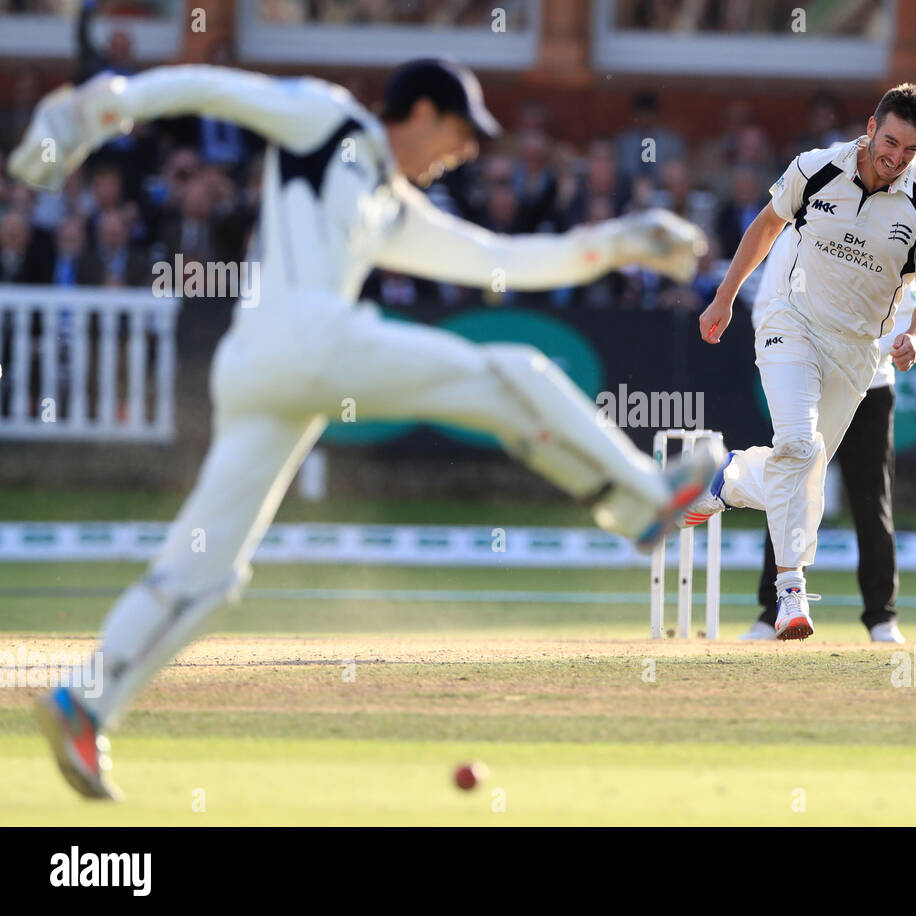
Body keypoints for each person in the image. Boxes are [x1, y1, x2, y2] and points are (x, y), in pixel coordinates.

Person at [9, 58, 721, 800]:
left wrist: (622, 241)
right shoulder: (329, 119)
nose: (463, 152)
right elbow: (212, 89)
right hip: (301, 343)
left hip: (266, 370)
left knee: (207, 573)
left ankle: (85, 702)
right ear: (417, 109)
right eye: (457, 132)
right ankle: (642, 498)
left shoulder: (389, 201)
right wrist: (109, 103)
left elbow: (500, 260)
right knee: (509, 373)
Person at [683, 83, 916, 641]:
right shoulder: (816, 168)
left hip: (858, 350)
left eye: (912, 149)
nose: (897, 158)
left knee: (799, 468)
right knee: (801, 449)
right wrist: (725, 295)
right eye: (891, 141)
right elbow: (765, 226)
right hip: (790, 322)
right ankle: (790, 595)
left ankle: (730, 478)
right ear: (871, 126)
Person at [737, 226, 909, 642]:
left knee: (871, 500)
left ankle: (881, 617)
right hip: (808, 380)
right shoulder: (800, 233)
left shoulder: (895, 229)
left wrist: (857, 353)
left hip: (871, 383)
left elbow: (908, 309)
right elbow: (767, 305)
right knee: (790, 487)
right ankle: (772, 610)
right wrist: (796, 354)